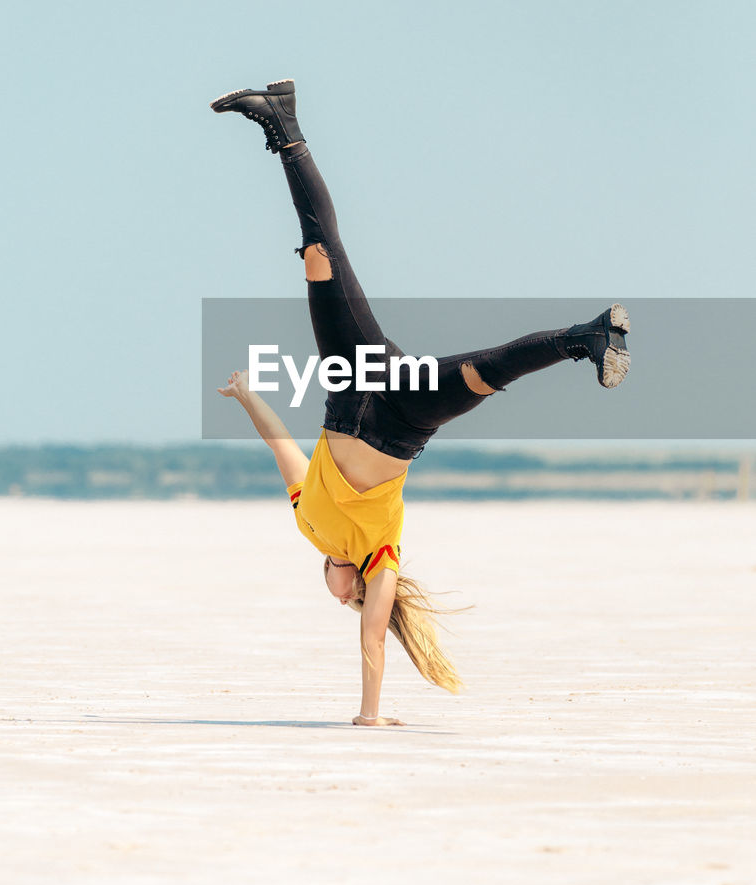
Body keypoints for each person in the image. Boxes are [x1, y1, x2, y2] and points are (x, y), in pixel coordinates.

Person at [211, 79, 630, 727]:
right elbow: (373, 639)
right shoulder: (380, 562)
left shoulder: (308, 523)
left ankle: (281, 125)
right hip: (402, 419)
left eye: (340, 596)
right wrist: (368, 717)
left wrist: (244, 397)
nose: (342, 597)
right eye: (345, 601)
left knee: (320, 256)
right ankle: (586, 338)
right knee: (489, 371)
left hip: (352, 385)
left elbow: (280, 446)